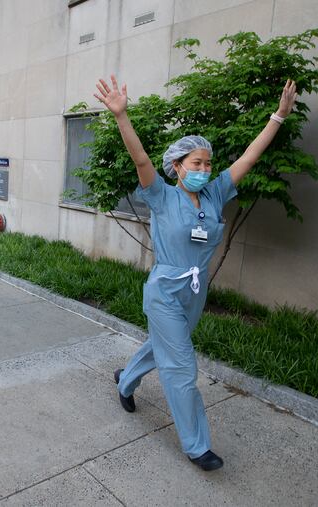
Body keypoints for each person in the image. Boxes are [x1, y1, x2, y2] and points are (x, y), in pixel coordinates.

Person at [94, 75, 297, 471]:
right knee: (181, 366)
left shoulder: (216, 192)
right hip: (165, 291)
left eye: (208, 162)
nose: (204, 168)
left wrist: (279, 116)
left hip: (195, 292)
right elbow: (140, 159)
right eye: (196, 163)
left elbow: (249, 158)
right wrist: (122, 117)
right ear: (177, 166)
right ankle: (196, 445)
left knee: (163, 347)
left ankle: (125, 380)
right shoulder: (161, 195)